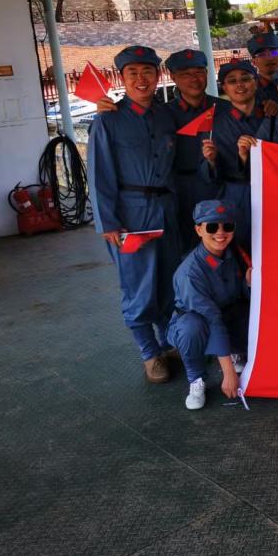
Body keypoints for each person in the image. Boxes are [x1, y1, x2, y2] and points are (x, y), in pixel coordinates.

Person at [87, 45, 182, 384]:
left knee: (170, 283)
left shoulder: (166, 115)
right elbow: (99, 173)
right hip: (131, 215)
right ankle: (149, 354)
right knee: (138, 287)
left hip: (166, 210)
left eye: (147, 72)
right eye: (133, 73)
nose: (141, 80)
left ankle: (170, 345)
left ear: (159, 76)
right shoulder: (108, 119)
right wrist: (108, 222)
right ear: (121, 78)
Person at [167, 200, 250, 411]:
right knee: (191, 329)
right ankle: (196, 378)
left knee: (253, 317)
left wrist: (248, 284)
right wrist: (228, 372)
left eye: (227, 226)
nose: (220, 233)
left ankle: (235, 351)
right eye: (212, 227)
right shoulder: (190, 272)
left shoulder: (234, 253)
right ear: (199, 230)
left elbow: (241, 295)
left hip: (228, 314)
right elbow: (212, 318)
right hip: (200, 320)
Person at [201, 59, 263, 251]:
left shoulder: (272, 116)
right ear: (224, 88)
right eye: (232, 81)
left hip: (269, 191)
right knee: (239, 247)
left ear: (256, 82)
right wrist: (211, 161)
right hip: (235, 193)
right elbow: (210, 177)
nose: (240, 85)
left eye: (245, 79)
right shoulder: (215, 125)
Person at [164, 49, 218, 249]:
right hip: (178, 192)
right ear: (173, 77)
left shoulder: (223, 108)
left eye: (199, 72)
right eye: (186, 74)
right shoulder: (162, 113)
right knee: (183, 249)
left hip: (217, 188)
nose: (194, 79)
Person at [246, 32, 278, 116]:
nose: (269, 58)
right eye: (262, 54)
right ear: (253, 62)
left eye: (274, 52)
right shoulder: (248, 91)